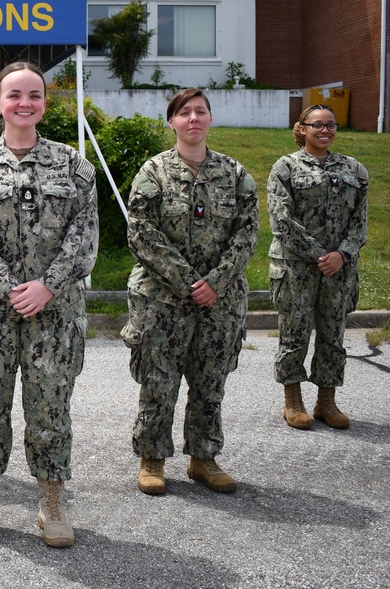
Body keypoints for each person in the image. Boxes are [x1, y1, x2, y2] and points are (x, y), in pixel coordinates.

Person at [0, 62, 98, 548]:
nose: (24, 103)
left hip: (54, 313)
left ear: (44, 104)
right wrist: (11, 286)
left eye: (34, 94)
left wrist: (47, 286)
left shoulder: (75, 167)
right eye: (14, 95)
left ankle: (51, 503)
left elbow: (83, 236)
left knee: (50, 410)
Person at [122, 88, 259, 497]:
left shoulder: (235, 174)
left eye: (201, 111)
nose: (193, 118)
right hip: (161, 299)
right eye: (185, 113)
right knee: (158, 382)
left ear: (210, 120)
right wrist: (188, 282)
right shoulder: (154, 172)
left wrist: (213, 282)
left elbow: (247, 233)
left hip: (219, 301)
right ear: (172, 122)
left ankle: (204, 458)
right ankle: (152, 458)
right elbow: (141, 232)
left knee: (210, 381)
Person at [268, 104, 368, 430]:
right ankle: (292, 401)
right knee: (294, 334)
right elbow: (282, 221)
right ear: (303, 129)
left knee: (333, 335)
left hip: (339, 268)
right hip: (296, 267)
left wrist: (342, 254)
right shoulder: (285, 168)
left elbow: (360, 223)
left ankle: (327, 401)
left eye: (331, 125)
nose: (325, 131)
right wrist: (318, 254)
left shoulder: (354, 170)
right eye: (317, 125)